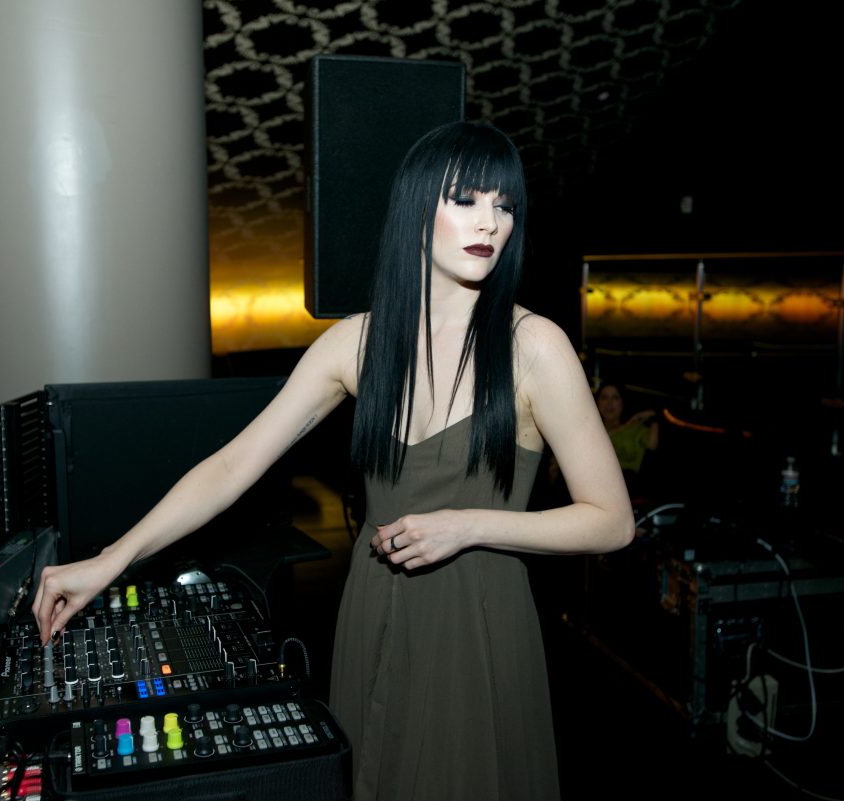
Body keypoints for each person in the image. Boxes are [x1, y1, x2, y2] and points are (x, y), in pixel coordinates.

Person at [32, 121, 634, 801]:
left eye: (505, 205)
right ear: (416, 209)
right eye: (465, 199)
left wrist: (468, 525)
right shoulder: (354, 344)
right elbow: (232, 465)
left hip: (479, 625)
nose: (489, 222)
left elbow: (611, 521)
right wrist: (112, 560)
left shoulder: (535, 346)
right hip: (374, 612)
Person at [594, 380, 659, 497]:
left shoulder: (635, 429)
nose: (609, 403)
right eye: (604, 397)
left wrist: (654, 417)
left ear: (623, 402)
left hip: (625, 487)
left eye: (615, 398)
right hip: (592, 484)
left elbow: (652, 444)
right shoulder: (590, 430)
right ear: (597, 402)